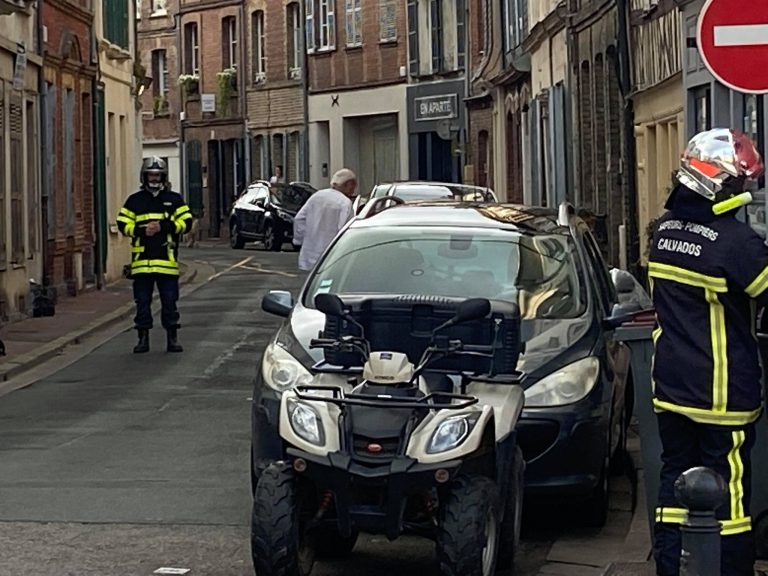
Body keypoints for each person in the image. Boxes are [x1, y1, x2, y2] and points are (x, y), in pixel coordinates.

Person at [648, 128, 768, 576]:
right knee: (730, 500)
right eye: (741, 182)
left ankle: (670, 567)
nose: (746, 191)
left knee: (675, 483)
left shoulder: (663, 231)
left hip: (672, 387)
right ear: (721, 182)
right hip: (722, 395)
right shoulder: (735, 244)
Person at [116, 156, 194, 354]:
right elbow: (122, 224)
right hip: (142, 264)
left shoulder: (174, 200)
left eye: (158, 175)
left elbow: (187, 222)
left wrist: (165, 226)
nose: (154, 178)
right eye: (151, 174)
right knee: (142, 303)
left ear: (163, 176)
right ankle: (142, 338)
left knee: (170, 302)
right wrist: (142, 231)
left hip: (166, 263)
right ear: (144, 176)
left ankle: (172, 338)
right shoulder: (135, 200)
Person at [292, 168, 357, 271]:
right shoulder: (345, 203)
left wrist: (300, 241)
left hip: (309, 255)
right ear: (348, 184)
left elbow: (299, 219)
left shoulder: (317, 196)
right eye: (353, 186)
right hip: (330, 257)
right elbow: (345, 230)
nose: (353, 191)